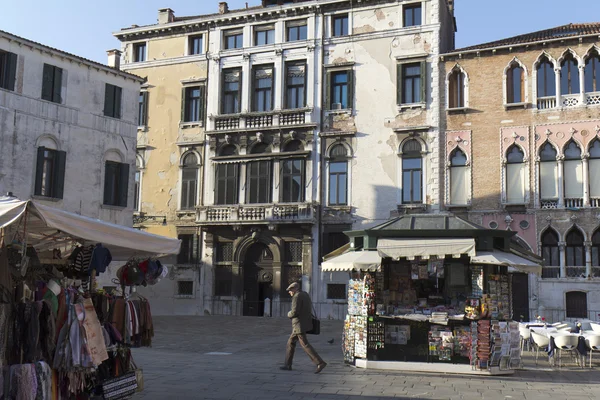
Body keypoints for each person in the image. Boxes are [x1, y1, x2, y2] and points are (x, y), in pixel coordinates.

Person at [280, 282, 327, 373]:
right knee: (290, 342)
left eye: (290, 290)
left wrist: (288, 314)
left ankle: (320, 362)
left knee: (305, 344)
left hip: (299, 324)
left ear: (294, 289)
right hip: (304, 323)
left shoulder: (297, 297)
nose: (289, 292)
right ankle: (288, 364)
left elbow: (294, 312)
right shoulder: (305, 294)